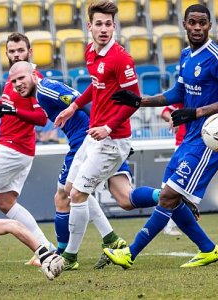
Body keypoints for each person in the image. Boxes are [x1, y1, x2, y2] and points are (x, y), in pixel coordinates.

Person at [103, 4, 218, 269]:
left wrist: (195, 112)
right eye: (193, 22)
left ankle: (130, 253)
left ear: (210, 25)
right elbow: (178, 92)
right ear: (185, 24)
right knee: (171, 196)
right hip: (188, 136)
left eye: (203, 23)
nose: (198, 27)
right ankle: (208, 249)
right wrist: (139, 101)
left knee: (168, 197)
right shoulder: (186, 55)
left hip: (207, 140)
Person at [8, 61, 161, 270]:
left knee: (65, 195)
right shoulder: (43, 92)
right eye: (14, 81)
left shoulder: (46, 90)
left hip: (87, 140)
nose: (17, 84)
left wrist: (106, 133)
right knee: (124, 198)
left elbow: (82, 103)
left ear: (34, 74)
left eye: (21, 78)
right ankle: (163, 199)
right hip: (98, 138)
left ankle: (64, 254)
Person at [53, 0, 141, 270]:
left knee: (78, 194)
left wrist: (108, 127)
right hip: (94, 136)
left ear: (114, 27)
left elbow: (134, 100)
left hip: (113, 140)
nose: (104, 29)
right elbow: (96, 87)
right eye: (99, 24)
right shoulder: (91, 51)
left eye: (108, 24)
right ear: (89, 26)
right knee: (69, 190)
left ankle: (70, 256)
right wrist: (73, 107)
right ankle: (112, 239)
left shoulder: (121, 58)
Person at [0, 33, 54, 253]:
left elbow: (42, 118)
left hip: (13, 147)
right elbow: (1, 110)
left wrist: (15, 110)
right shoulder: (13, 77)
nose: (16, 55)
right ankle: (45, 247)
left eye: (20, 51)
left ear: (30, 52)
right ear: (6, 53)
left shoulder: (34, 77)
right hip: (16, 148)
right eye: (12, 51)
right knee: (5, 203)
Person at [160, 104, 186, 236]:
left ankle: (170, 223)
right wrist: (172, 119)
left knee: (180, 188)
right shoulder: (185, 92)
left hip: (192, 145)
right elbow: (164, 112)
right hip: (182, 146)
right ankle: (167, 225)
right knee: (176, 187)